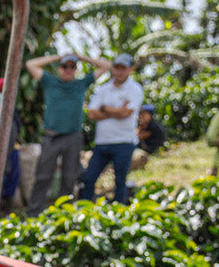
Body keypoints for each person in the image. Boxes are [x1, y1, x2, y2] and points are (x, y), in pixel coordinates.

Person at [25, 52, 110, 217]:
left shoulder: (81, 84)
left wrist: (82, 57)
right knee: (43, 176)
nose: (69, 70)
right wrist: (57, 57)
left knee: (69, 178)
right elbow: (31, 64)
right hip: (52, 136)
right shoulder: (50, 81)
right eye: (65, 66)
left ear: (76, 69)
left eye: (72, 66)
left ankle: (63, 214)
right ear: (60, 68)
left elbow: (106, 66)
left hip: (73, 136)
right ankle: (33, 215)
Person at [80, 53, 144, 204]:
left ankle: (118, 212)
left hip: (124, 142)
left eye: (123, 68)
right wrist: (116, 111)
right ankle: (83, 209)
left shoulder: (134, 89)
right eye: (117, 68)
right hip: (102, 143)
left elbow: (126, 113)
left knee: (120, 181)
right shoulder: (104, 89)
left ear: (130, 69)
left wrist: (104, 108)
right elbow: (92, 113)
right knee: (89, 178)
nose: (119, 72)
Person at [130, 104, 166, 171]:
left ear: (150, 115)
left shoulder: (152, 126)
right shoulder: (144, 124)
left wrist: (140, 126)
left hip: (152, 150)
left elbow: (137, 137)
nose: (141, 116)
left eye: (143, 114)